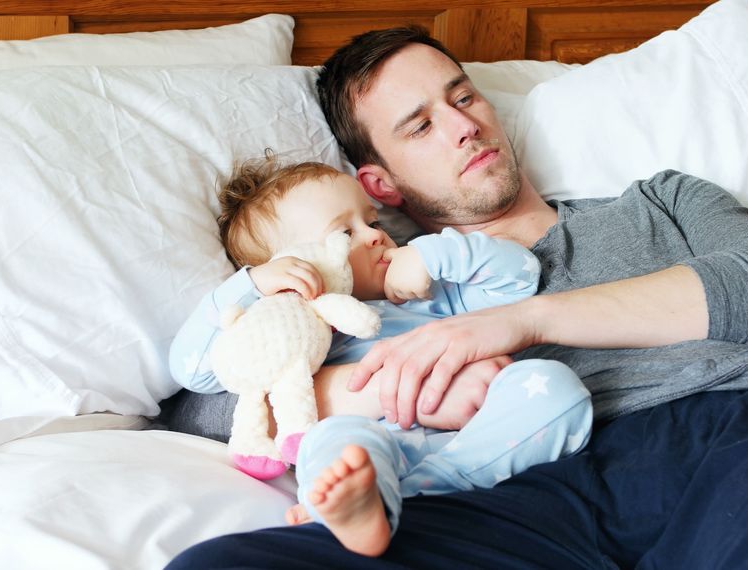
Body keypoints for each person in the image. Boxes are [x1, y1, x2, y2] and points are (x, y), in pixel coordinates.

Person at [167, 27, 748, 569]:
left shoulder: (659, 201)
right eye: (421, 124)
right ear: (380, 184)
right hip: (498, 486)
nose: (463, 127)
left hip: (736, 430)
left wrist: (525, 319)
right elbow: (219, 398)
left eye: (463, 97)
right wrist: (369, 385)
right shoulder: (375, 287)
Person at [168, 156, 592, 557]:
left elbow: (521, 278)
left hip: (471, 442)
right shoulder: (290, 332)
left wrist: (433, 256)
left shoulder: (424, 294)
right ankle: (353, 504)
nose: (376, 235)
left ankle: (421, 490)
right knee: (334, 445)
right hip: (372, 444)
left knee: (558, 388)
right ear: (289, 266)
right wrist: (254, 286)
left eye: (371, 220)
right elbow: (192, 371)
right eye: (345, 233)